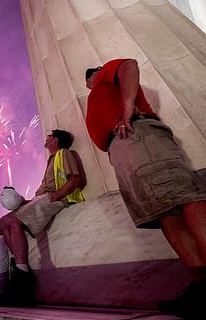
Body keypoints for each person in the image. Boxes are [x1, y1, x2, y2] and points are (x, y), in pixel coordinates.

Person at [85, 58, 206, 319]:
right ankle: (201, 287)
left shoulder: (106, 75)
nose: (88, 82)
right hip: (125, 148)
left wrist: (128, 108)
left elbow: (128, 65)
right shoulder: (98, 93)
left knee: (186, 198)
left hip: (137, 136)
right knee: (167, 212)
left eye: (90, 77)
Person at [0, 129, 86, 307]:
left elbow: (75, 180)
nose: (46, 138)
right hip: (42, 198)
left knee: (13, 222)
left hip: (55, 198)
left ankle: (22, 279)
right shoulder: (52, 159)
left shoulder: (64, 153)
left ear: (57, 140)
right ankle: (18, 266)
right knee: (3, 221)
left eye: (50, 136)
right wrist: (27, 202)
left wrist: (54, 196)